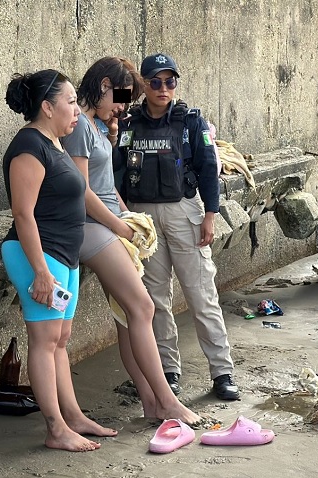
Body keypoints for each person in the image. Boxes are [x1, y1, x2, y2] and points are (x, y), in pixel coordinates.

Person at [61, 57, 203, 425]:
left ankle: (151, 403)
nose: (124, 107)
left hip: (109, 222)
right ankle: (167, 401)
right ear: (105, 85)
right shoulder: (78, 125)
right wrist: (119, 225)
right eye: (122, 97)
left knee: (127, 318)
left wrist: (127, 218)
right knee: (142, 307)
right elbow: (83, 191)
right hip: (92, 227)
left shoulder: (94, 124)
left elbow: (107, 187)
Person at [1, 69, 117, 452]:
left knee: (61, 338)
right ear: (47, 107)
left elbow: (81, 194)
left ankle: (74, 416)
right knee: (44, 338)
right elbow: (23, 214)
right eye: (70, 103)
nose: (77, 112)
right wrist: (40, 272)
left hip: (63, 254)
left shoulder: (54, 142)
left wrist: (123, 226)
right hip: (37, 254)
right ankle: (55, 429)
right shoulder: (28, 147)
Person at [113, 53, 240, 400]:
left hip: (185, 212)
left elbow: (208, 167)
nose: (163, 88)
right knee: (155, 298)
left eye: (170, 81)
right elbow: (117, 173)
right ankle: (168, 371)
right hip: (143, 218)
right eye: (155, 82)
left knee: (201, 294)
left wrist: (210, 215)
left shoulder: (191, 122)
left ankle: (222, 371)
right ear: (144, 86)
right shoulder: (127, 124)